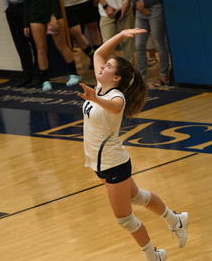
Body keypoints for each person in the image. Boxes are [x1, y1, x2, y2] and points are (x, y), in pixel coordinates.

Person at [78, 28, 189, 261]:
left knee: (124, 219)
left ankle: (154, 256)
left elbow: (116, 108)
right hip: (100, 163)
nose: (102, 67)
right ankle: (176, 220)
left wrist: (94, 99)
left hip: (113, 164)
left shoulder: (116, 96)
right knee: (138, 197)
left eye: (108, 67)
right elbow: (99, 51)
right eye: (105, 64)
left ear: (116, 78)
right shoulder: (100, 87)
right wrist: (120, 35)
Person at [23, 0, 81, 92]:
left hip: (52, 16)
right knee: (41, 49)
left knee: (61, 45)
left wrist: (54, 16)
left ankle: (74, 74)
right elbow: (27, 2)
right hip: (35, 17)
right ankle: (45, 80)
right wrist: (26, 23)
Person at [0, 0, 39, 88]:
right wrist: (6, 7)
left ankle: (38, 75)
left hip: (26, 6)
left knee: (34, 42)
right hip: (12, 8)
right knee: (20, 44)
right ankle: (27, 75)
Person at [131, 0, 170, 88]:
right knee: (139, 46)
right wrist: (137, 4)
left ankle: (164, 76)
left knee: (160, 44)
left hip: (155, 10)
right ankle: (141, 78)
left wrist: (145, 3)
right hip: (141, 12)